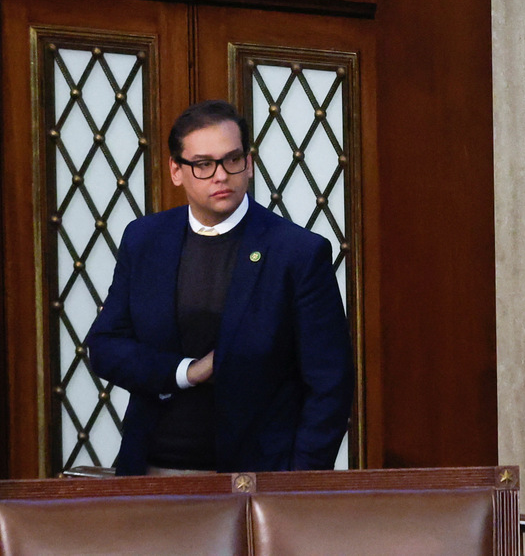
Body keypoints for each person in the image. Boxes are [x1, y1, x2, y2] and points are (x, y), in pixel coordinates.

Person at [87, 99, 353, 476]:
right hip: (152, 468)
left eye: (232, 159)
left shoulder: (297, 252)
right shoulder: (145, 239)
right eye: (203, 164)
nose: (221, 175)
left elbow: (330, 383)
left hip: (256, 477)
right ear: (176, 171)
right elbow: (106, 347)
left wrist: (299, 483)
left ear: (249, 164)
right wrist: (186, 371)